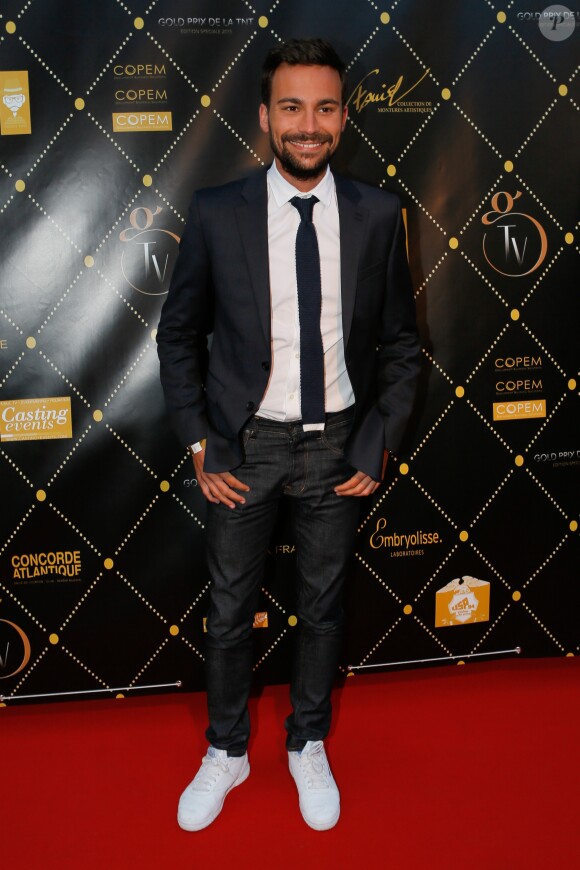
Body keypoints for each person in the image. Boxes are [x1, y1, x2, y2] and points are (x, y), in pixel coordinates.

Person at [156, 37, 421, 832]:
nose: (311, 125)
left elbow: (403, 344)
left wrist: (377, 442)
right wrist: (202, 443)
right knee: (231, 609)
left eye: (327, 108)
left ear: (344, 116)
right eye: (294, 108)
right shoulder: (214, 212)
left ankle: (308, 741)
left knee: (323, 607)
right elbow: (178, 338)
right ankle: (227, 749)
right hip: (246, 443)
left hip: (339, 444)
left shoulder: (377, 214)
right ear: (266, 117)